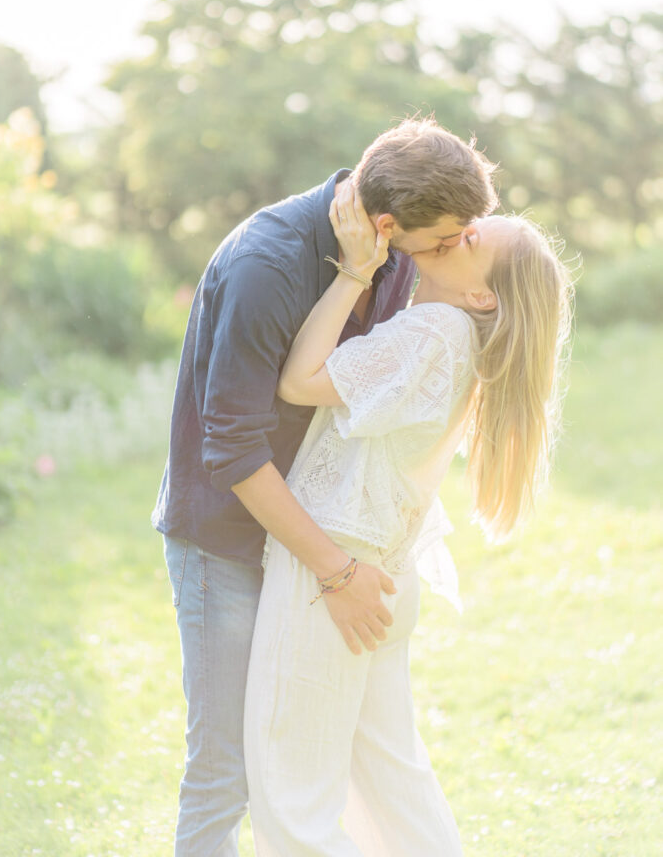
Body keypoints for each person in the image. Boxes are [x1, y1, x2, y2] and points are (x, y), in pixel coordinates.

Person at [153, 117, 498, 855]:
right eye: (440, 241)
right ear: (384, 223)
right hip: (230, 542)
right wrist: (336, 570)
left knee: (334, 757)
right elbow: (233, 450)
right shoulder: (266, 264)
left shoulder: (397, 254)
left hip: (313, 542)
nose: (447, 255)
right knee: (226, 767)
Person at [243, 192, 573, 856]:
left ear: (482, 297)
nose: (454, 235)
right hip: (379, 572)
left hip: (334, 577)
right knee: (391, 788)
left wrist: (352, 274)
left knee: (291, 802)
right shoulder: (452, 339)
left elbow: (299, 380)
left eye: (472, 241)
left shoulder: (431, 333)